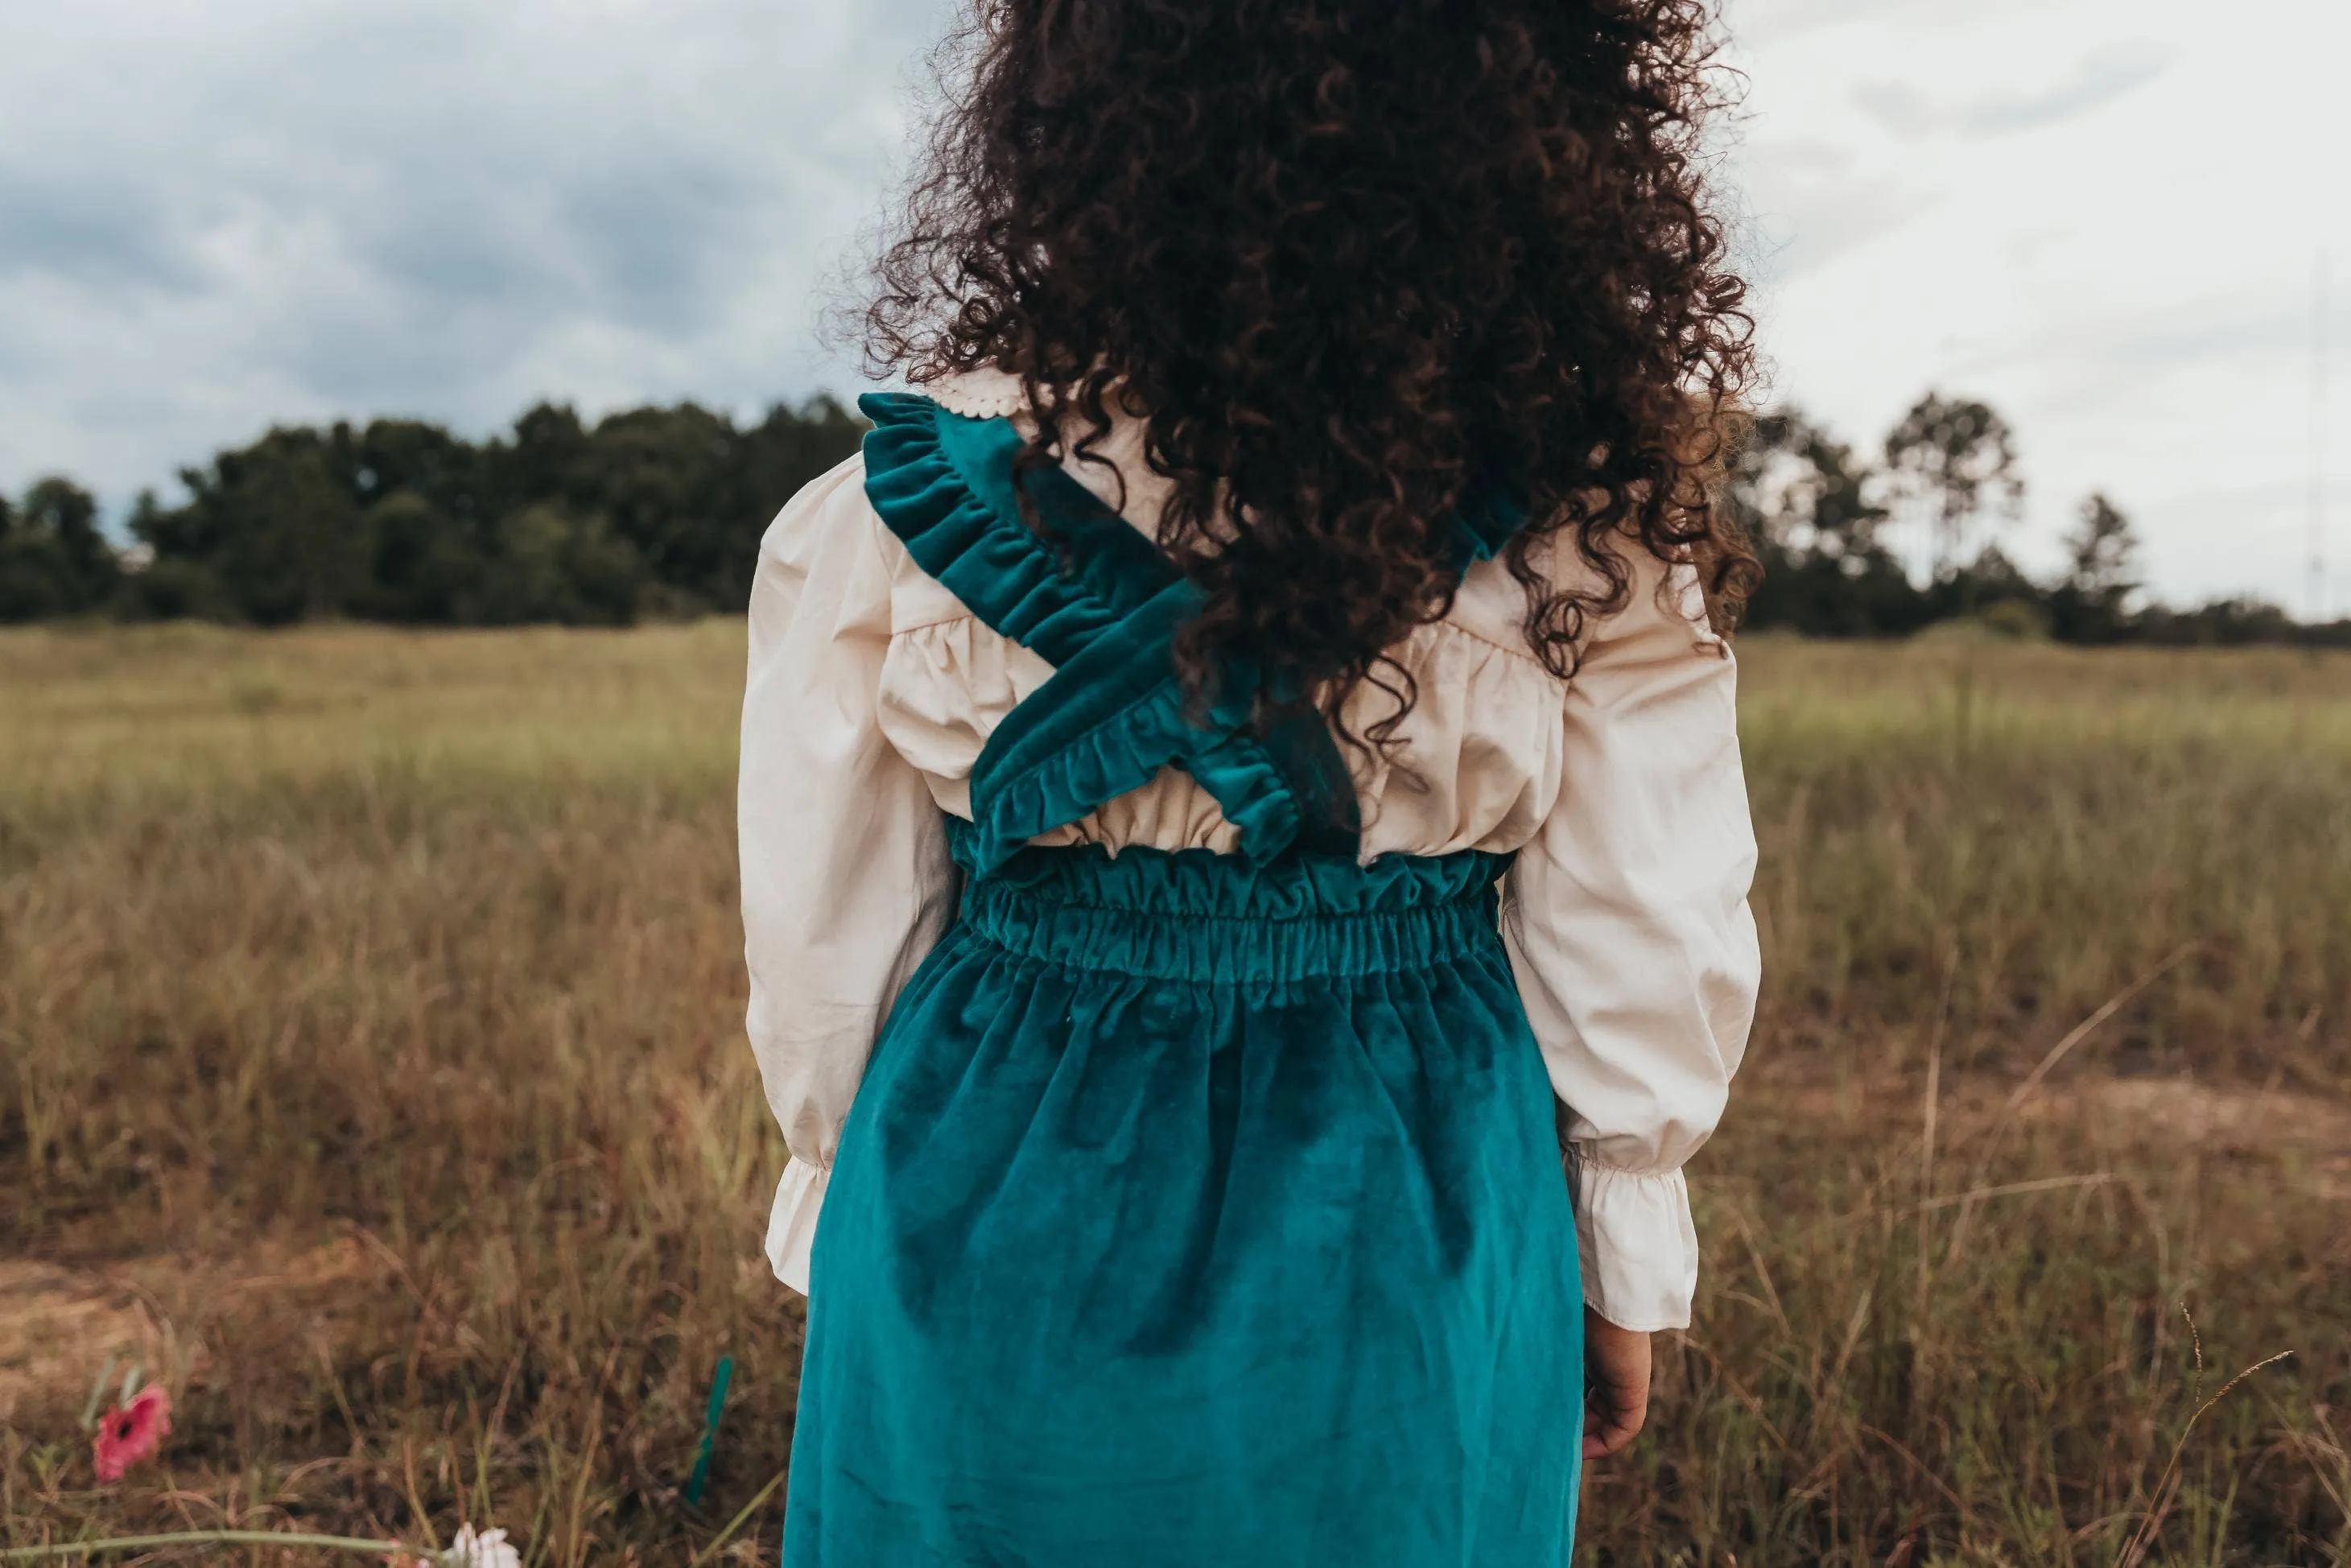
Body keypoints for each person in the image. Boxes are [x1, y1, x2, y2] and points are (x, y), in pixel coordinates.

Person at [739, 2, 1760, 1562]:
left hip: (988, 1149)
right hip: (1404, 1157)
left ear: (1074, 112)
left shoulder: (880, 506)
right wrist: (1616, 1244)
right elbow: (1635, 916)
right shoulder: (1580, 530)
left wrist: (842, 1190)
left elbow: (829, 927)